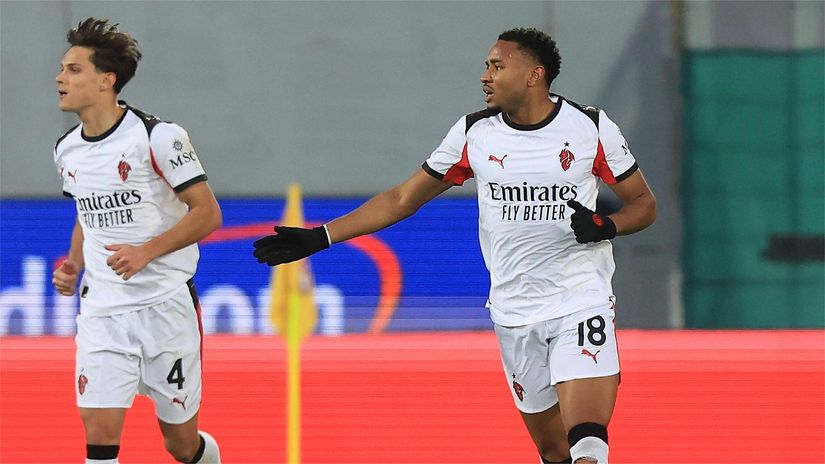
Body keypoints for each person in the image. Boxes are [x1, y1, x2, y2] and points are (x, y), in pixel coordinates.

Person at [253, 27, 655, 464]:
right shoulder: (473, 134)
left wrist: (606, 226)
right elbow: (402, 199)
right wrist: (321, 236)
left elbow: (643, 205)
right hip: (514, 313)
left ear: (534, 75)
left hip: (581, 300)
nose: (485, 75)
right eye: (486, 65)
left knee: (587, 442)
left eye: (497, 66)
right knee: (554, 450)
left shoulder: (589, 128)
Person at [51, 18, 222, 464]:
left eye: (73, 69)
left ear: (106, 80)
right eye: (62, 69)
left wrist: (146, 252)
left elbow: (208, 213)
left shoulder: (159, 137)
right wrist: (73, 264)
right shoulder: (66, 149)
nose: (60, 78)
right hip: (103, 308)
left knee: (179, 444)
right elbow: (85, 211)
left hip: (166, 306)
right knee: (99, 430)